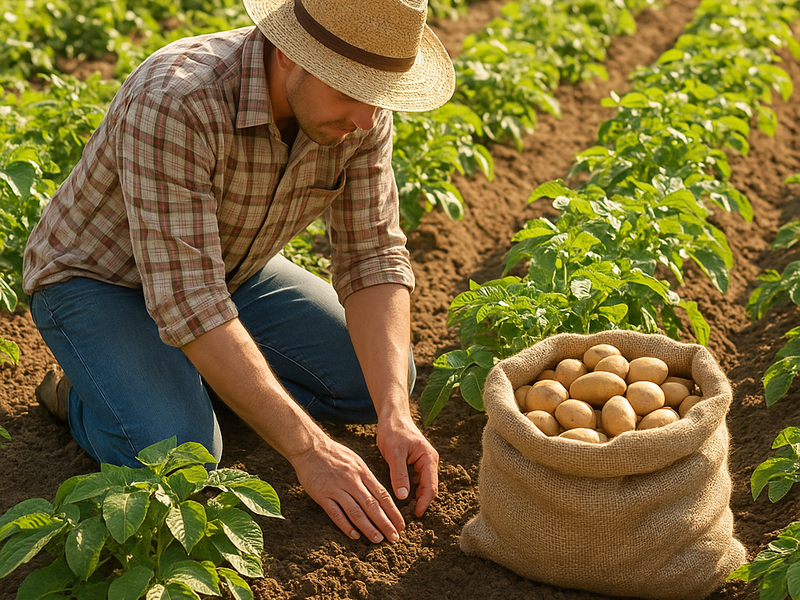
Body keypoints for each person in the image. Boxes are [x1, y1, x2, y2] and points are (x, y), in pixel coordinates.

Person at [22, 0, 455, 545]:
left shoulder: (360, 113)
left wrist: (398, 415)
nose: (367, 119)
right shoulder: (177, 98)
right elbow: (188, 299)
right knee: (180, 454)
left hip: (229, 269)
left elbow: (373, 254)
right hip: (98, 281)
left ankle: (194, 374)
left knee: (378, 384)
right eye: (349, 93)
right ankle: (85, 392)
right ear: (289, 56)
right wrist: (309, 450)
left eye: (377, 99)